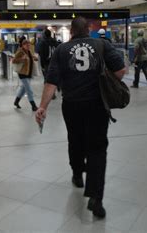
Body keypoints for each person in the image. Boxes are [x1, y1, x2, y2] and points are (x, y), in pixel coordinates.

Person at [35, 17, 126, 219]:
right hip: (97, 104)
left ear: (72, 32)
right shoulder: (102, 45)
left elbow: (51, 82)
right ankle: (96, 197)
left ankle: (77, 174)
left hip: (72, 105)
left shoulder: (61, 50)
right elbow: (120, 71)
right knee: (97, 148)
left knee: (75, 140)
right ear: (89, 29)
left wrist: (42, 107)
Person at [13, 39, 39, 111]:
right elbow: (14, 60)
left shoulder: (29, 51)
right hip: (22, 73)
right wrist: (22, 59)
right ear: (23, 45)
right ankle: (33, 106)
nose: (28, 46)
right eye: (27, 45)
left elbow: (30, 58)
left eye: (29, 45)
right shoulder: (20, 52)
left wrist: (34, 58)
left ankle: (16, 101)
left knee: (23, 89)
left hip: (29, 73)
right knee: (29, 90)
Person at [38, 29, 59, 98]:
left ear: (44, 34)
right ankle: (54, 93)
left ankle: (49, 94)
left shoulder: (42, 42)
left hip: (47, 63)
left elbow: (42, 55)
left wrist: (42, 65)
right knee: (53, 78)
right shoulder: (55, 41)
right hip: (55, 63)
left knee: (47, 79)